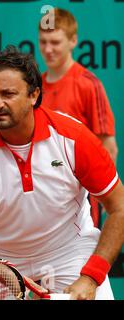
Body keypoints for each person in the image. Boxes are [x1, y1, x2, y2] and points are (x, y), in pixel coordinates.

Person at [0, 46, 124, 300]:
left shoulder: (73, 137)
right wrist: (9, 275)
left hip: (68, 249)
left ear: (34, 95)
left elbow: (119, 206)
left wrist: (90, 277)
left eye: (8, 94)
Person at [38, 8, 118, 227]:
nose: (48, 49)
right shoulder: (35, 87)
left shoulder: (88, 84)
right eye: (43, 42)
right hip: (41, 198)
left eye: (55, 42)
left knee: (82, 261)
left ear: (73, 41)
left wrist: (101, 198)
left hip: (80, 199)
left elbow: (108, 149)